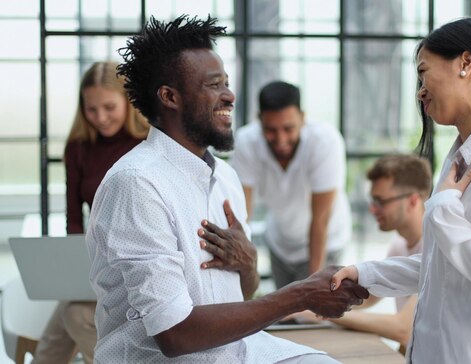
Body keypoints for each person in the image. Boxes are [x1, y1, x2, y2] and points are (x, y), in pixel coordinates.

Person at [86, 14, 368, 363]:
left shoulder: (224, 177)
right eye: (214, 84)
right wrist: (299, 295)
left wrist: (248, 264)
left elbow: (242, 293)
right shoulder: (136, 185)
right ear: (170, 97)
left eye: (226, 83)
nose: (230, 95)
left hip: (235, 351)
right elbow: (174, 334)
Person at [331, 18, 471, 364]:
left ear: (466, 63)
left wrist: (443, 210)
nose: (420, 91)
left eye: (423, 73)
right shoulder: (464, 154)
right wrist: (367, 274)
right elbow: (443, 265)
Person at [32, 61, 149, 364]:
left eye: (109, 106)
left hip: (140, 260)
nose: (100, 117)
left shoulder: (147, 143)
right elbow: (73, 218)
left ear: (128, 101)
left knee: (72, 316)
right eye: (92, 109)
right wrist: (75, 262)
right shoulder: (78, 148)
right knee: (73, 310)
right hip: (97, 261)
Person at [290, 154, 432, 353]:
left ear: (413, 201)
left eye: (381, 201)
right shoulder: (399, 246)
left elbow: (403, 329)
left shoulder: (434, 249)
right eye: (373, 200)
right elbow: (366, 298)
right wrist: (307, 302)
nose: (373, 209)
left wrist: (313, 313)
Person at [230, 80, 351, 289]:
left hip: (326, 241)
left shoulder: (325, 141)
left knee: (311, 313)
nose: (281, 139)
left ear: (302, 118)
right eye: (271, 130)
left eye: (288, 128)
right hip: (281, 243)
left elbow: (320, 220)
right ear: (259, 120)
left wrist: (314, 289)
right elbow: (243, 215)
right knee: (284, 316)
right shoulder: (246, 142)